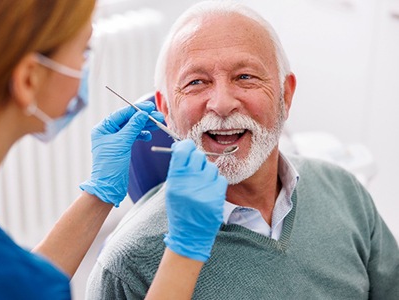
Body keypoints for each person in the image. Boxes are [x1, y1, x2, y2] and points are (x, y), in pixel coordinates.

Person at [0, 1, 229, 299]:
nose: (221, 103)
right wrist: (187, 248)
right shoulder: (5, 278)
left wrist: (98, 195)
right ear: (28, 79)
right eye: (84, 52)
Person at [87, 1, 399, 299]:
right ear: (165, 109)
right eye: (196, 82)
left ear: (285, 96)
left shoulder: (346, 193)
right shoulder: (126, 268)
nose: (222, 104)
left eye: (245, 77)